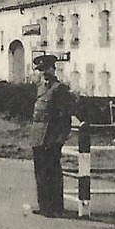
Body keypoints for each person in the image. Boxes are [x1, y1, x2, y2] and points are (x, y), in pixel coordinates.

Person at [29, 53, 74, 218]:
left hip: (51, 138)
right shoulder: (40, 88)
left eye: (45, 70)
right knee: (40, 172)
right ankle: (44, 206)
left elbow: (65, 117)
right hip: (38, 137)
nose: (43, 74)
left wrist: (59, 140)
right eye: (40, 70)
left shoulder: (59, 89)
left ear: (52, 69)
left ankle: (55, 207)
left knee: (52, 172)